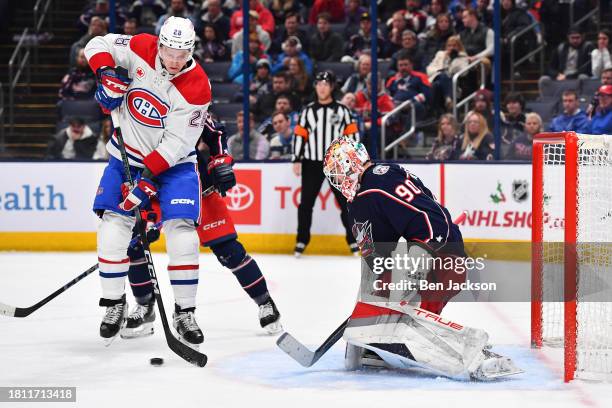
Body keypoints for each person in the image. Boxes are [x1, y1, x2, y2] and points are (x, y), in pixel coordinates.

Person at [322, 137, 521, 379]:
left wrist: (366, 314)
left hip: (430, 254)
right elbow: (425, 214)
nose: (337, 181)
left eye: (337, 173)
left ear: (350, 164)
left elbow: (375, 261)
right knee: (420, 315)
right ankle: (399, 344)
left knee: (400, 311)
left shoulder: (365, 196)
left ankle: (465, 354)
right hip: (453, 254)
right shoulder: (390, 170)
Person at [84, 16, 211, 346]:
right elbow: (97, 44)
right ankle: (114, 303)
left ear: (191, 51)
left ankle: (185, 312)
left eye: (181, 55)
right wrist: (106, 74)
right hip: (125, 153)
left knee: (182, 233)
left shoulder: (198, 86)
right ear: (160, 43)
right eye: (169, 52)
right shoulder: (140, 45)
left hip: (173, 166)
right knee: (113, 226)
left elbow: (178, 143)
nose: (173, 61)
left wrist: (147, 178)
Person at [122, 115, 282, 338]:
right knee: (135, 245)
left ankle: (265, 302)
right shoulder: (139, 100)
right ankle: (145, 306)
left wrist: (220, 159)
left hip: (197, 186)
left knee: (230, 251)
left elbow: (214, 131)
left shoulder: (185, 96)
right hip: (154, 187)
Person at [292, 71, 359, 257]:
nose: (322, 87)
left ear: (331, 87)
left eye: (326, 84)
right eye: (319, 84)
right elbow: (300, 135)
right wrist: (296, 159)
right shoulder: (307, 111)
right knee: (306, 204)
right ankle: (301, 240)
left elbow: (352, 136)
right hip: (311, 162)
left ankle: (353, 241)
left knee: (346, 203)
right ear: (315, 87)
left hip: (336, 162)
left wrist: (354, 161)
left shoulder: (343, 111)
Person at [426, 35, 469, 113]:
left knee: (437, 85)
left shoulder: (463, 57)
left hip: (452, 83)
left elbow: (464, 72)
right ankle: (448, 98)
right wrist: (442, 66)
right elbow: (429, 69)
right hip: (437, 76)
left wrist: (454, 59)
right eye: (449, 45)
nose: (451, 48)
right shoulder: (440, 54)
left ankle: (435, 112)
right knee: (442, 75)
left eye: (454, 45)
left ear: (459, 47)